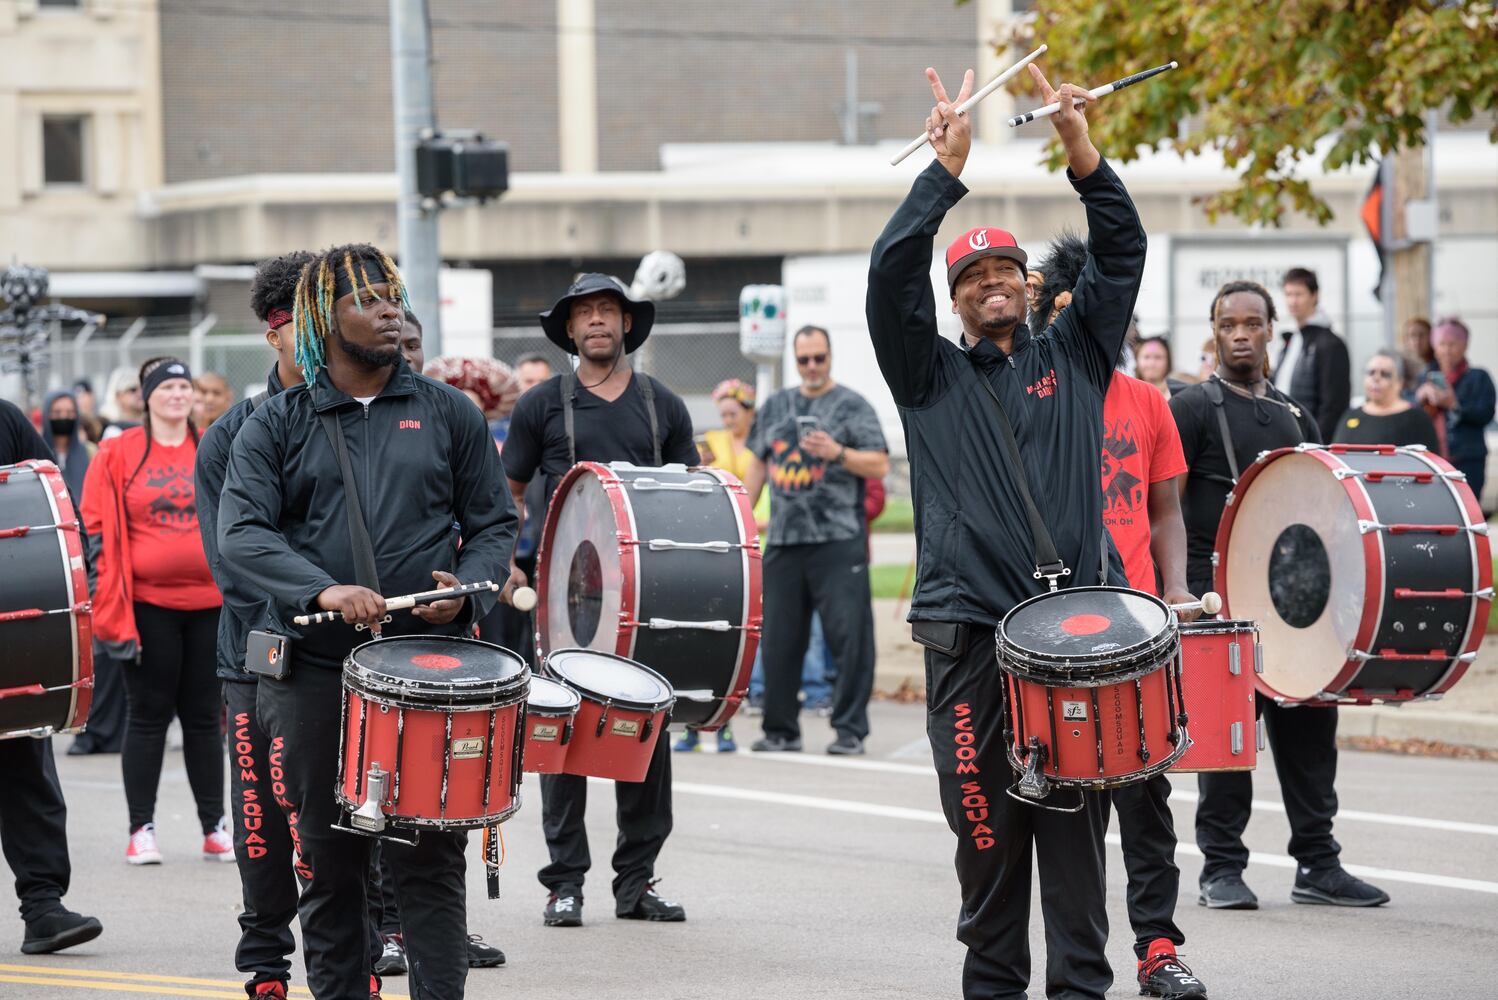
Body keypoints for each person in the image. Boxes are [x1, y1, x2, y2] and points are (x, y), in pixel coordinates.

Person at [866, 62, 1139, 999]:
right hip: (969, 639)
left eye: (1005, 272)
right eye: (973, 275)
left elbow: (1123, 250)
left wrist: (1081, 151)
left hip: (1071, 644)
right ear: (954, 300)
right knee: (983, 837)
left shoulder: (1080, 354)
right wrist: (944, 174)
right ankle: (993, 987)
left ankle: (1080, 989)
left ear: (1030, 288)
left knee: (1073, 847)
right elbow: (888, 271)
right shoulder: (926, 377)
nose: (992, 284)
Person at [217, 244, 517, 1000]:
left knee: (429, 860)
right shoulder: (274, 423)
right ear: (326, 316)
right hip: (316, 670)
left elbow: (492, 522)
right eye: (368, 300)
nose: (390, 312)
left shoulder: (448, 412)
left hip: (427, 669)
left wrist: (469, 588)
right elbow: (242, 533)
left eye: (393, 297)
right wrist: (322, 590)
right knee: (329, 861)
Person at [1170, 279, 1389, 912]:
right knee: (1229, 739)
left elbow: (1324, 513)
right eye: (1228, 323)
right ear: (1214, 332)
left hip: (1296, 606)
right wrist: (1182, 589)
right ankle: (1221, 869)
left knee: (1312, 734)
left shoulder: (1298, 416)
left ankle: (1318, 865)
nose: (1241, 332)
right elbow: (1167, 508)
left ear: (1271, 330)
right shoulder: (1190, 407)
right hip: (1222, 603)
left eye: (1253, 322)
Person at [1031, 229, 1209, 999]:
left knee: (1146, 802)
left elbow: (1166, 508)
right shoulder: (1030, 395)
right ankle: (1078, 969)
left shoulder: (1147, 401)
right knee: (1072, 810)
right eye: (1067, 307)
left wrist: (1173, 590)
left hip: (1141, 630)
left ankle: (1159, 949)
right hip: (1056, 631)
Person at [503, 271, 696, 929]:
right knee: (561, 737)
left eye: (607, 311)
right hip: (565, 596)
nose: (596, 322)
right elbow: (510, 490)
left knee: (644, 738)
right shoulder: (540, 406)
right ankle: (565, 885)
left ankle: (635, 884)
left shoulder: (660, 403)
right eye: (585, 312)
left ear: (625, 325)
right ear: (570, 329)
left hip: (641, 599)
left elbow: (688, 493)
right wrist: (504, 558)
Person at [195, 251, 312, 999]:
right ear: (275, 333)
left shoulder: (362, 423)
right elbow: (233, 566)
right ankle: (266, 962)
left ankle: (369, 943)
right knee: (263, 821)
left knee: (342, 818)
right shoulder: (230, 436)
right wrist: (317, 608)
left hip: (349, 663)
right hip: (258, 661)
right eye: (309, 318)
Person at [78, 356, 232, 867]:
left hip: (210, 605)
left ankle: (214, 827)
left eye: (184, 386)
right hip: (146, 606)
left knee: (205, 719)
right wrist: (103, 587)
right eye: (165, 387)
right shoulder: (119, 450)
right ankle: (140, 829)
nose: (176, 394)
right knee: (146, 718)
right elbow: (94, 520)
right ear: (146, 396)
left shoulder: (212, 442)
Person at [744, 325, 889, 756]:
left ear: (829, 357)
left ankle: (849, 732)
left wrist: (837, 452)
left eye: (818, 358)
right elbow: (756, 465)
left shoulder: (851, 406)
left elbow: (880, 464)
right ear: (794, 359)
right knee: (779, 640)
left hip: (838, 539)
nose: (811, 367)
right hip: (785, 541)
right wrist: (742, 517)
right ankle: (780, 730)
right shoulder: (775, 406)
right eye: (804, 359)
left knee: (850, 640)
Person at [0, 398, 104, 956]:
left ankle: (43, 908)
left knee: (26, 771)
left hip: (9, 635)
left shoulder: (4, 419)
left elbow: (55, 507)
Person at [1417, 317, 1495, 501]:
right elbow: (1409, 414)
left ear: (1465, 346)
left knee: (1467, 512)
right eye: (1442, 344)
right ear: (1435, 347)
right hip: (1431, 459)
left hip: (1467, 460)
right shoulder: (1424, 377)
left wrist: (1454, 405)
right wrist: (1419, 398)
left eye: (1453, 344)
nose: (1447, 350)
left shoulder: (1478, 377)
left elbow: (1486, 413)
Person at [1273, 267, 1350, 439]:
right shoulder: (1291, 341)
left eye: (1298, 294)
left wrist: (1315, 444)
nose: (1293, 301)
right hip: (1285, 437)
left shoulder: (1331, 344)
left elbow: (1333, 406)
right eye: (1288, 294)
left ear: (1314, 295)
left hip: (1310, 443)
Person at [1332, 349, 1440, 451]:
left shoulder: (1417, 419)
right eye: (1371, 372)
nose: (1376, 378)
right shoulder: (1351, 415)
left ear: (1399, 382)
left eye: (1385, 374)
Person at [98, 365, 144, 440]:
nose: (140, 393)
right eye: (133, 389)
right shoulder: (111, 428)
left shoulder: (154, 422)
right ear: (118, 395)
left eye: (142, 388)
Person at [1401, 316, 1435, 390]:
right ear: (1405, 339)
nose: (1417, 340)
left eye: (1422, 335)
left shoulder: (1439, 365)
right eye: (1412, 335)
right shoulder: (1399, 366)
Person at [71, 379, 105, 444]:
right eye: (77, 397)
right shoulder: (73, 425)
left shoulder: (103, 422)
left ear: (92, 397)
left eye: (83, 396)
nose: (80, 401)